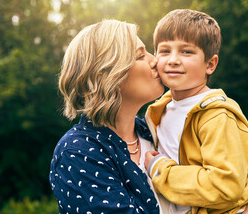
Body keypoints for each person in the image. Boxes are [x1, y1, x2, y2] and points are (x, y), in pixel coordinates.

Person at [144, 9, 248, 214]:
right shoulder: (158, 110)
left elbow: (225, 185)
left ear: (210, 64)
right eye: (164, 51)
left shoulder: (217, 115)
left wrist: (159, 169)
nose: (173, 60)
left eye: (186, 52)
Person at [49, 19, 165, 214]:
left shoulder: (157, 131)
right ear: (109, 75)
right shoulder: (78, 152)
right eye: (140, 56)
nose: (156, 61)